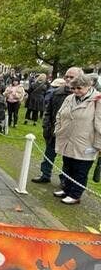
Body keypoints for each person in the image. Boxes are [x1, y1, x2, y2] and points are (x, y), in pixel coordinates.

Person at [53, 73, 101, 204]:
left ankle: (75, 194)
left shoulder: (97, 100)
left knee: (80, 171)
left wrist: (98, 145)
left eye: (79, 88)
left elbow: (100, 124)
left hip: (86, 142)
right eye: (73, 88)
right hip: (68, 139)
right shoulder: (70, 98)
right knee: (67, 167)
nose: (76, 91)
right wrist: (58, 129)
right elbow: (60, 114)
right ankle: (66, 189)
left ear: (88, 86)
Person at [31, 68, 83, 184]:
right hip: (54, 129)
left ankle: (65, 180)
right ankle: (45, 174)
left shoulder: (82, 95)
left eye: (72, 77)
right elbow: (48, 111)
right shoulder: (57, 92)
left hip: (72, 133)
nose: (68, 79)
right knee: (49, 153)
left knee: (68, 159)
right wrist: (46, 126)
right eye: (66, 76)